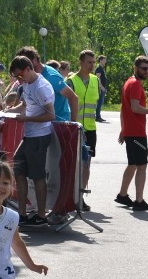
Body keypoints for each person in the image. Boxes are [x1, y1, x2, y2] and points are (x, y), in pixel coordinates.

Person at [5, 55, 55, 226]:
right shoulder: (26, 84)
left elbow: (50, 114)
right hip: (29, 135)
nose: (19, 80)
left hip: (40, 136)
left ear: (28, 69)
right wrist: (9, 111)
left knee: (37, 176)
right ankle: (22, 214)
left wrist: (25, 119)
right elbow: (25, 105)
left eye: (20, 76)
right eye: (16, 77)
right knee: (18, 169)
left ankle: (41, 216)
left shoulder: (42, 87)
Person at [116, 55, 148, 211]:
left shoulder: (130, 82)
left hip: (131, 131)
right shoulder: (135, 84)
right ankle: (139, 201)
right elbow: (134, 107)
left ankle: (122, 194)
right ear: (136, 68)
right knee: (141, 166)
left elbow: (123, 109)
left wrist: (123, 129)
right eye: (144, 68)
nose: (146, 71)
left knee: (133, 164)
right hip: (136, 132)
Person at [67, 50, 100, 210]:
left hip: (91, 128)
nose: (92, 65)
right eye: (89, 62)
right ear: (81, 62)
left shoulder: (95, 80)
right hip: (75, 128)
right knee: (73, 165)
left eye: (93, 62)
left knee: (86, 164)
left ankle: (80, 197)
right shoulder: (71, 81)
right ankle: (69, 197)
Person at [15, 47, 78, 123]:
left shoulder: (51, 77)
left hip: (58, 125)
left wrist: (73, 124)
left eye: (25, 62)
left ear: (35, 60)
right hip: (43, 125)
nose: (22, 67)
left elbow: (73, 97)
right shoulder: (31, 78)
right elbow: (26, 104)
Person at [95, 55, 108, 122]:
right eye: (104, 60)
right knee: (99, 102)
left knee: (100, 102)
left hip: (102, 88)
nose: (105, 61)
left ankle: (98, 116)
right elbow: (98, 79)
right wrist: (102, 87)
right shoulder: (99, 68)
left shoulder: (101, 68)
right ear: (100, 60)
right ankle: (97, 117)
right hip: (100, 89)